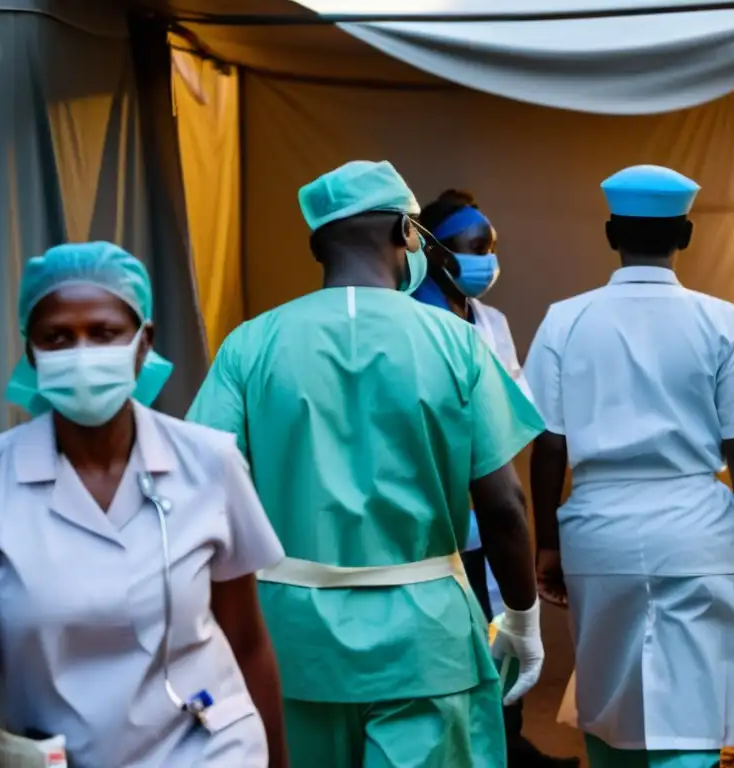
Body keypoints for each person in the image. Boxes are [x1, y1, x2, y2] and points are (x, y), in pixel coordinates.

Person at [185, 160, 546, 768]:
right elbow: (505, 506)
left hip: (292, 641)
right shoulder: (455, 342)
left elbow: (201, 491)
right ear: (409, 233)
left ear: (317, 245)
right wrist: (522, 618)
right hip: (426, 641)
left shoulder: (252, 343)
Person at [0, 243, 287, 768]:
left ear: (143, 342)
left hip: (208, 747)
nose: (82, 353)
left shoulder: (209, 461)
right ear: (31, 351)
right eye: (57, 337)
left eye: (104, 333)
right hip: (64, 756)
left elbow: (245, 640)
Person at [524, 165, 734, 768]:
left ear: (611, 232)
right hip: (693, 530)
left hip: (597, 529)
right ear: (687, 235)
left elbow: (547, 445)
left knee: (607, 687)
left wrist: (548, 544)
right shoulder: (721, 320)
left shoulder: (566, 319)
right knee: (694, 693)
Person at [414, 189, 579, 767]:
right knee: (446, 658)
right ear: (435, 252)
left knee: (502, 641)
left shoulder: (493, 321)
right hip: (433, 527)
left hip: (490, 519)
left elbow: (515, 415)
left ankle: (507, 743)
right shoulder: (413, 322)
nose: (489, 258)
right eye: (476, 246)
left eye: (492, 246)